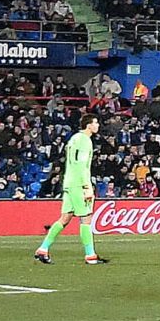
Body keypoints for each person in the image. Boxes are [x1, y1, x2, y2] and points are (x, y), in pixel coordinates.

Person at [33, 113, 107, 265]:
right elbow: (81, 165)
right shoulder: (85, 141)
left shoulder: (74, 138)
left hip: (69, 182)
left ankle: (43, 249)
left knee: (65, 218)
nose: (97, 125)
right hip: (78, 184)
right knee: (86, 218)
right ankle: (90, 256)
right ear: (88, 125)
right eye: (95, 122)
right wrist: (87, 186)